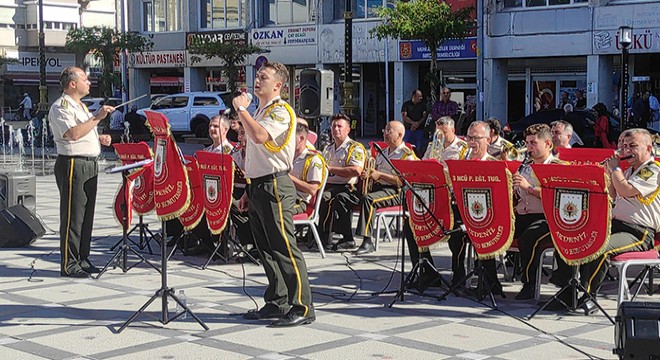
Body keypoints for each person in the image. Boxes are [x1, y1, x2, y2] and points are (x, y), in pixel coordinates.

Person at [233, 61, 314, 327]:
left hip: (275, 185)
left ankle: (302, 306)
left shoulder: (281, 111)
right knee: (266, 248)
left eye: (263, 77)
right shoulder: (260, 110)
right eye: (257, 76)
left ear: (278, 85)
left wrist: (241, 109)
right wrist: (247, 188)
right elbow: (256, 154)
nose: (257, 81)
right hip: (258, 184)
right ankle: (277, 301)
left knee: (284, 247)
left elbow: (258, 136)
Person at [49, 66, 113, 278]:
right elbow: (73, 134)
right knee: (73, 216)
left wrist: (99, 138)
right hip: (73, 164)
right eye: (84, 79)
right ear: (72, 84)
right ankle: (69, 263)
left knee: (87, 215)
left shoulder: (81, 107)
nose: (89, 82)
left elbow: (85, 132)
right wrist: (98, 117)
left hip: (90, 163)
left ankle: (82, 258)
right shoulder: (61, 107)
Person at [512, 123, 567, 300]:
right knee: (492, 226)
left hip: (547, 218)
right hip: (523, 214)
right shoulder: (526, 165)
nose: (529, 148)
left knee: (529, 238)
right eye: (527, 143)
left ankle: (529, 284)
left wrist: (529, 188)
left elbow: (558, 196)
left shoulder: (558, 167)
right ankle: (489, 281)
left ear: (548, 144)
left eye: (533, 143)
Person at [353, 121, 417, 255]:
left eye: (389, 131)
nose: (385, 134)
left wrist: (380, 175)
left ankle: (367, 240)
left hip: (396, 191)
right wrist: (369, 174)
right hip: (380, 187)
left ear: (399, 135)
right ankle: (345, 236)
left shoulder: (407, 155)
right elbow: (374, 170)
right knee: (350, 196)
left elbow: (404, 181)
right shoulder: (382, 152)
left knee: (368, 200)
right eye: (385, 130)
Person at [460, 121, 503, 295]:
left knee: (483, 230)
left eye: (476, 138)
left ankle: (490, 281)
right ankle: (458, 276)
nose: (471, 142)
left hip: (488, 214)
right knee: (454, 233)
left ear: (487, 140)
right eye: (469, 137)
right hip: (464, 211)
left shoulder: (495, 164)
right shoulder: (460, 162)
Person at [318, 113, 366, 250]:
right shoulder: (328, 149)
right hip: (329, 185)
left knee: (327, 197)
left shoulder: (354, 148)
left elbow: (356, 170)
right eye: (334, 126)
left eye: (340, 126)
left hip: (348, 187)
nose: (336, 129)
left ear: (348, 129)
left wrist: (332, 169)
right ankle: (319, 232)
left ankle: (339, 236)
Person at [290, 118, 324, 216]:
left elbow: (312, 190)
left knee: (276, 211)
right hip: (281, 195)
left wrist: (288, 178)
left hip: (299, 201)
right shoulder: (286, 156)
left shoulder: (312, 159)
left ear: (301, 139)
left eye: (290, 138)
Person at [401, 90, 427, 155]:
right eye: (419, 96)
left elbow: (424, 116)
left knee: (418, 147)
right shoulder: (406, 104)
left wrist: (417, 123)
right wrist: (413, 123)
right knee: (406, 146)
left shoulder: (423, 105)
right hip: (408, 129)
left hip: (419, 129)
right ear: (414, 96)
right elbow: (404, 116)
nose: (421, 98)